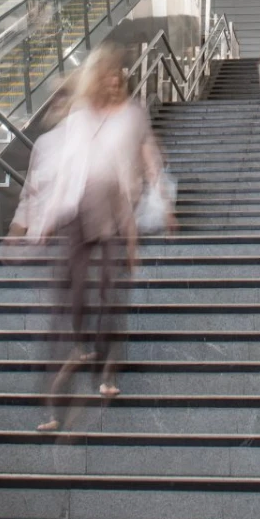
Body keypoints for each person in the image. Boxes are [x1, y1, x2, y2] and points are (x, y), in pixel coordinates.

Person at [34, 44, 167, 431]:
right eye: (108, 73)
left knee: (112, 290)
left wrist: (147, 209)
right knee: (72, 298)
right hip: (77, 211)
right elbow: (65, 171)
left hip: (114, 206)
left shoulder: (132, 114)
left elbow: (142, 155)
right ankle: (67, 380)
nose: (114, 79)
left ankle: (106, 372)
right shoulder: (80, 118)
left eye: (118, 73)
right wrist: (43, 219)